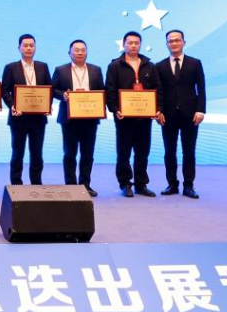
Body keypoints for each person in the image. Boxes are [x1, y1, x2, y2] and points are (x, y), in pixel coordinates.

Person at [105, 30, 163, 198]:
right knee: (123, 153)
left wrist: (157, 108)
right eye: (130, 43)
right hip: (124, 118)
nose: (133, 46)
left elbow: (158, 89)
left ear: (140, 45)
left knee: (143, 152)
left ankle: (141, 184)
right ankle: (125, 183)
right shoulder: (115, 66)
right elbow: (110, 91)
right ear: (124, 45)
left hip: (145, 117)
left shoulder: (149, 65)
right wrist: (115, 109)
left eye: (136, 43)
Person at [156, 29, 206, 199]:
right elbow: (158, 91)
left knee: (189, 151)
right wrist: (158, 111)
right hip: (167, 115)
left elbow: (201, 88)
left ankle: (189, 185)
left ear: (184, 42)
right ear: (166, 44)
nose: (174, 43)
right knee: (169, 151)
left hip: (190, 114)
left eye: (177, 40)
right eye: (171, 41)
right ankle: (172, 184)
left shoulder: (195, 63)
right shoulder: (160, 66)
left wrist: (201, 110)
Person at [51, 39, 104, 197]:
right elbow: (52, 90)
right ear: (70, 53)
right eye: (76, 50)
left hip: (90, 118)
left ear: (87, 52)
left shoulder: (96, 70)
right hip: (69, 119)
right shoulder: (61, 70)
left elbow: (102, 91)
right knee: (70, 153)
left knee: (88, 154)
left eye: (83, 50)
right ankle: (71, 185)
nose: (80, 53)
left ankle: (85, 184)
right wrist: (63, 95)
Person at [0, 34, 51, 185]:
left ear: (35, 48)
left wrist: (47, 106)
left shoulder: (43, 67)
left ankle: (36, 182)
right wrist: (13, 106)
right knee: (18, 153)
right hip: (18, 117)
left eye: (31, 45)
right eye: (25, 45)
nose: (29, 48)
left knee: (37, 153)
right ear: (19, 48)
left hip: (38, 118)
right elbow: (4, 90)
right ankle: (16, 183)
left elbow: (49, 88)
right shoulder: (11, 67)